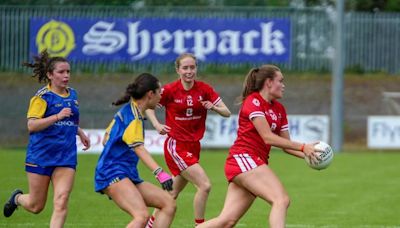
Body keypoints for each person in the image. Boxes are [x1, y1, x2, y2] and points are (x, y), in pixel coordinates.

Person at [197, 65, 321, 228]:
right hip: (244, 159)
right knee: (281, 200)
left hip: (250, 163)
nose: (284, 85)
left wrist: (311, 155)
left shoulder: (279, 109)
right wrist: (304, 147)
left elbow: (287, 145)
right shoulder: (253, 101)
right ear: (269, 82)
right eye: (280, 81)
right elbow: (268, 137)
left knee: (226, 221)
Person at [3, 50, 91, 227]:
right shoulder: (42, 98)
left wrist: (79, 132)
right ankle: (18, 198)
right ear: (50, 75)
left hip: (66, 156)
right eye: (61, 72)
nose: (66, 75)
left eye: (68, 72)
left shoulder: (73, 95)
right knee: (36, 206)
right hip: (41, 155)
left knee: (61, 200)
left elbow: (70, 120)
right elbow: (32, 125)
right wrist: (57, 116)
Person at [145, 53, 231, 226]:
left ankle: (150, 224)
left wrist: (213, 107)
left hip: (193, 146)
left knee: (171, 195)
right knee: (205, 185)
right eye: (185, 68)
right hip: (176, 145)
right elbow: (147, 106)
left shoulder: (204, 89)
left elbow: (227, 112)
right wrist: (156, 124)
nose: (189, 71)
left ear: (196, 68)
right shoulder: (169, 90)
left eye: (192, 67)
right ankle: (200, 225)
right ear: (178, 70)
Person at [94, 73, 176, 228]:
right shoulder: (134, 118)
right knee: (141, 216)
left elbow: (106, 138)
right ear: (150, 94)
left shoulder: (128, 110)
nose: (161, 97)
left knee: (168, 204)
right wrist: (160, 173)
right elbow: (139, 148)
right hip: (112, 173)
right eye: (159, 92)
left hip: (126, 174)